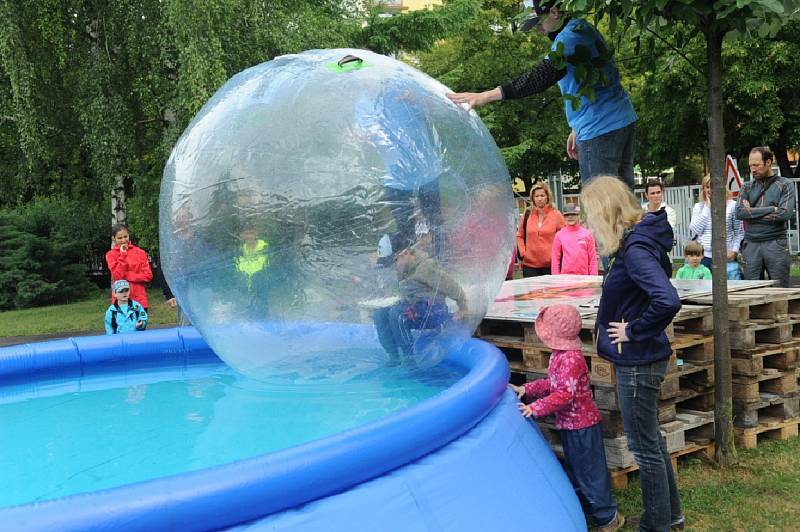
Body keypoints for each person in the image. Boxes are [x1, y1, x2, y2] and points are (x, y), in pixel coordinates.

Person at [581, 176, 684, 532]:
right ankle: (671, 516)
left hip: (639, 361)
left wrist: (633, 329)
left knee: (645, 448)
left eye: (591, 214)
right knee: (652, 440)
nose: (589, 223)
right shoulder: (637, 240)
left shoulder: (636, 249)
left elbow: (667, 300)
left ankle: (657, 525)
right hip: (643, 357)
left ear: (605, 211)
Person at [447, 0, 637, 188]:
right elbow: (592, 82)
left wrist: (485, 96)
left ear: (554, 12)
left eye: (538, 23)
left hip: (600, 129)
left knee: (602, 205)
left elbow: (540, 77)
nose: (537, 29)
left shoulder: (570, 38)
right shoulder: (581, 28)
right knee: (625, 202)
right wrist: (576, 127)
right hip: (619, 119)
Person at [510, 304, 623, 532]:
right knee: (577, 467)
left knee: (590, 471)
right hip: (571, 426)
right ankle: (587, 507)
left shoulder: (571, 359)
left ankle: (608, 516)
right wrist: (526, 389)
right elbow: (552, 384)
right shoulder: (558, 356)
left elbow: (564, 394)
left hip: (583, 426)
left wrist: (535, 408)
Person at [372, 234, 468, 366]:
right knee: (379, 315)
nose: (392, 267)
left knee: (398, 315)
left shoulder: (426, 268)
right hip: (415, 309)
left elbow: (451, 286)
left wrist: (463, 307)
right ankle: (393, 357)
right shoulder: (404, 268)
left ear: (405, 253)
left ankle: (409, 360)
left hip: (434, 311)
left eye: (393, 262)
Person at [736, 146, 796, 288]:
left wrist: (751, 212)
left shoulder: (785, 184)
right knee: (752, 291)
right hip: (751, 244)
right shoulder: (746, 187)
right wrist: (771, 209)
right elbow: (739, 213)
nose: (753, 169)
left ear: (769, 162)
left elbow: (784, 214)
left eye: (756, 165)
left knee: (780, 291)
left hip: (775, 242)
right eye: (751, 165)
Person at [689, 174, 744, 279]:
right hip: (703, 257)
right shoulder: (699, 207)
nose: (711, 190)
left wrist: (734, 251)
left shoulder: (732, 206)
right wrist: (707, 207)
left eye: (714, 186)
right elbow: (696, 229)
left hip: (725, 256)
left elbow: (739, 232)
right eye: (708, 187)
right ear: (703, 189)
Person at [517, 181, 565, 277]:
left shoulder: (556, 215)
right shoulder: (527, 214)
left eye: (542, 195)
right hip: (530, 266)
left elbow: (563, 238)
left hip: (551, 265)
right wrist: (523, 253)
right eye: (536, 196)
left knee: (551, 292)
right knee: (532, 292)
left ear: (547, 197)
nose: (539, 199)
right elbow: (520, 236)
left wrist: (557, 256)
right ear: (533, 198)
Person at [105, 224, 153, 311]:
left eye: (125, 236)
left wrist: (128, 276)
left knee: (140, 324)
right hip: (120, 301)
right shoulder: (110, 255)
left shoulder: (140, 252)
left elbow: (148, 276)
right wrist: (123, 255)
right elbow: (117, 276)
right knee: (122, 325)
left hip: (139, 301)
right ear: (113, 238)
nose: (123, 240)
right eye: (119, 238)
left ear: (129, 235)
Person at [551, 203, 598, 275]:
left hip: (584, 277)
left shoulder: (587, 234)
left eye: (573, 214)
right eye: (567, 215)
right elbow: (555, 260)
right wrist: (555, 278)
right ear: (564, 217)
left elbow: (592, 260)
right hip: (566, 278)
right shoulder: (559, 235)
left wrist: (593, 278)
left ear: (578, 215)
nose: (570, 217)